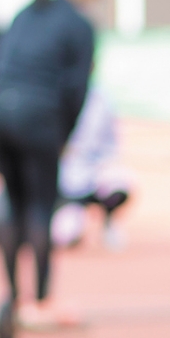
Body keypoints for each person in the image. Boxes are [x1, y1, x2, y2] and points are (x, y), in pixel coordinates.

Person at [0, 0, 102, 331]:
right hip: (40, 117)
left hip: (3, 113)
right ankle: (38, 302)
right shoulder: (79, 25)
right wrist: (62, 134)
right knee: (40, 208)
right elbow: (76, 90)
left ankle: (12, 300)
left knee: (13, 206)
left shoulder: (26, 12)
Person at [51, 85, 131, 250]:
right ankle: (62, 217)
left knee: (120, 181)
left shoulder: (101, 99)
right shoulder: (55, 93)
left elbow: (111, 144)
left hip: (93, 174)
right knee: (64, 235)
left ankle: (108, 222)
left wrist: (103, 163)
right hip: (62, 183)